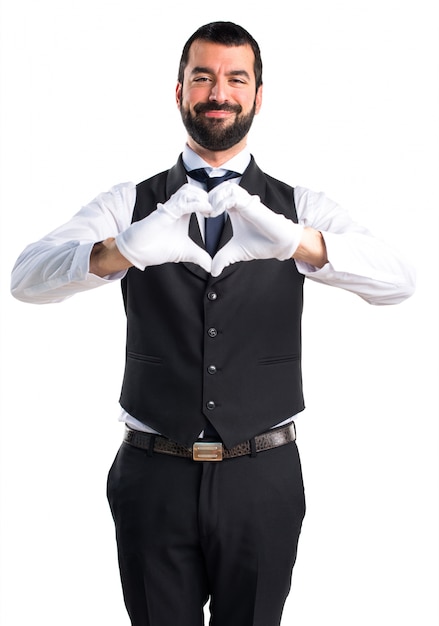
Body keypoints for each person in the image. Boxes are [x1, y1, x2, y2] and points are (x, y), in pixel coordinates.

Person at [11, 20, 415, 626]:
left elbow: (399, 282)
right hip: (153, 474)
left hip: (264, 478)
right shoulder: (130, 202)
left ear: (257, 95)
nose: (218, 92)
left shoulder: (300, 206)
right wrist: (122, 249)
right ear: (179, 91)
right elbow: (26, 279)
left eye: (235, 79)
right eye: (203, 77)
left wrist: (299, 242)